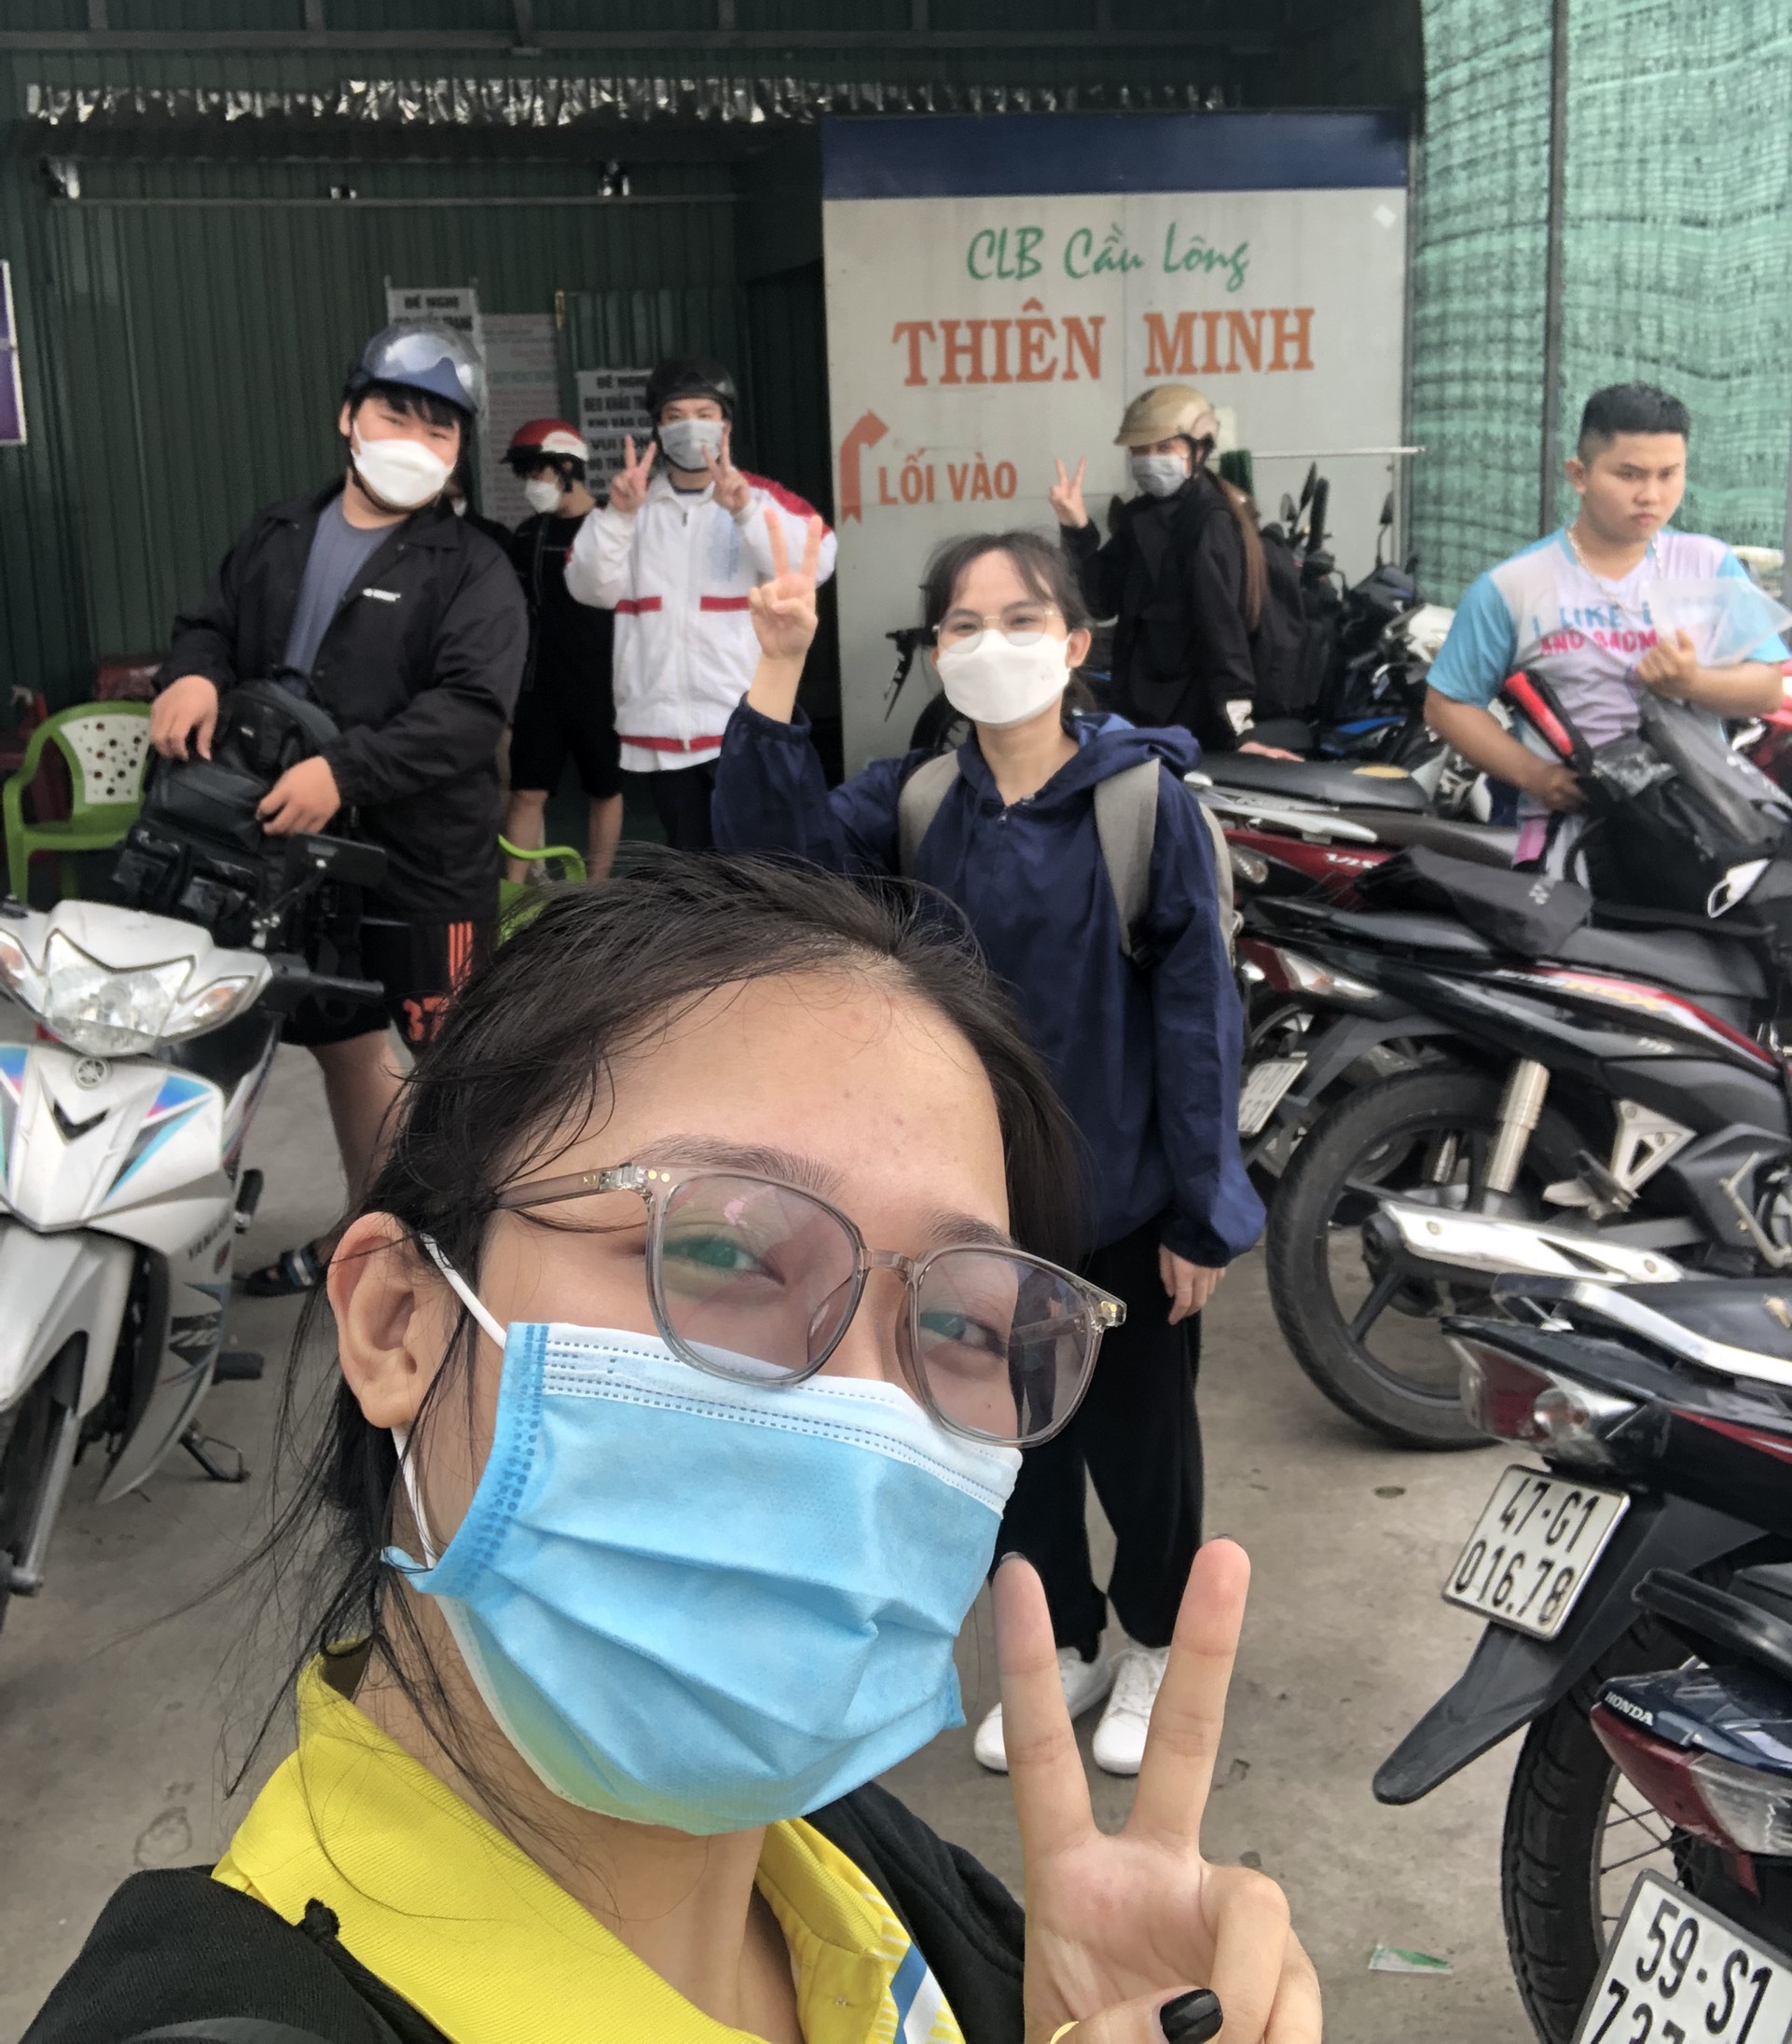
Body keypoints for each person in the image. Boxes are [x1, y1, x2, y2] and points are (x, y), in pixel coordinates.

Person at [21, 862, 1319, 2044]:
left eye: (964, 1323)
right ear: (398, 1321)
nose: (865, 1409)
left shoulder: (868, 1880)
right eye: (722, 1251)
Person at [711, 519, 1263, 1780]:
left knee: (1143, 1444)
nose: (991, 644)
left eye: (1021, 619)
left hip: (1121, 1206)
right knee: (1011, 1444)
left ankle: (1157, 1640)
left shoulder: (1140, 807)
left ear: (1073, 643)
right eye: (963, 623)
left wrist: (1204, 1212)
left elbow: (1197, 1022)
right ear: (934, 648)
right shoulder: (914, 802)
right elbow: (773, 872)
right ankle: (1058, 1637)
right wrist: (778, 665)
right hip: (976, 1211)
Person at [147, 324, 528, 1297]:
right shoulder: (276, 535)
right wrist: (192, 673)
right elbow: (209, 626)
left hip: (417, 862)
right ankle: (353, 1237)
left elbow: (469, 711)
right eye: (396, 413)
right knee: (334, 1044)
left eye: (440, 428)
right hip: (279, 853)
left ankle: (451, 1252)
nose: (415, 440)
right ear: (349, 417)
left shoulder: (473, 567)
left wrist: (344, 773)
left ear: (459, 451)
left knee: (444, 1062)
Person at [1426, 380, 1787, 872]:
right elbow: (1447, 704)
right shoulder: (1514, 586)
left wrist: (1692, 683)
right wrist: (1535, 776)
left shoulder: (1710, 565)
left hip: (1698, 832)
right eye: (1629, 474)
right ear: (1579, 474)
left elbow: (1766, 689)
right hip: (1571, 843)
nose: (1651, 495)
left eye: (1669, 474)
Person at [565, 351, 836, 851]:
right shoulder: (629, 507)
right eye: (675, 416)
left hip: (744, 724)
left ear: (725, 426)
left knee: (758, 864)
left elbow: (815, 563)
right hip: (663, 731)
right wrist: (620, 517)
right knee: (694, 868)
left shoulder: (760, 497)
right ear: (657, 428)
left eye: (704, 414)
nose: (690, 426)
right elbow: (589, 587)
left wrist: (745, 511)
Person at [1051, 384, 1276, 754]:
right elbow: (1099, 600)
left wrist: (1240, 732)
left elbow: (1223, 632)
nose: (1150, 459)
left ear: (1199, 450)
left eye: (1164, 448)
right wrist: (1077, 528)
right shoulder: (1140, 517)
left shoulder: (1208, 522)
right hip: (1141, 715)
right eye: (1140, 450)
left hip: (1192, 727)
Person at [502, 418, 625, 886]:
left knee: (605, 789)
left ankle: (596, 893)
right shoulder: (527, 536)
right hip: (541, 689)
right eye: (526, 474)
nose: (531, 483)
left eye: (538, 470)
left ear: (568, 467)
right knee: (526, 793)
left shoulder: (611, 528)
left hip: (602, 686)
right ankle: (513, 896)